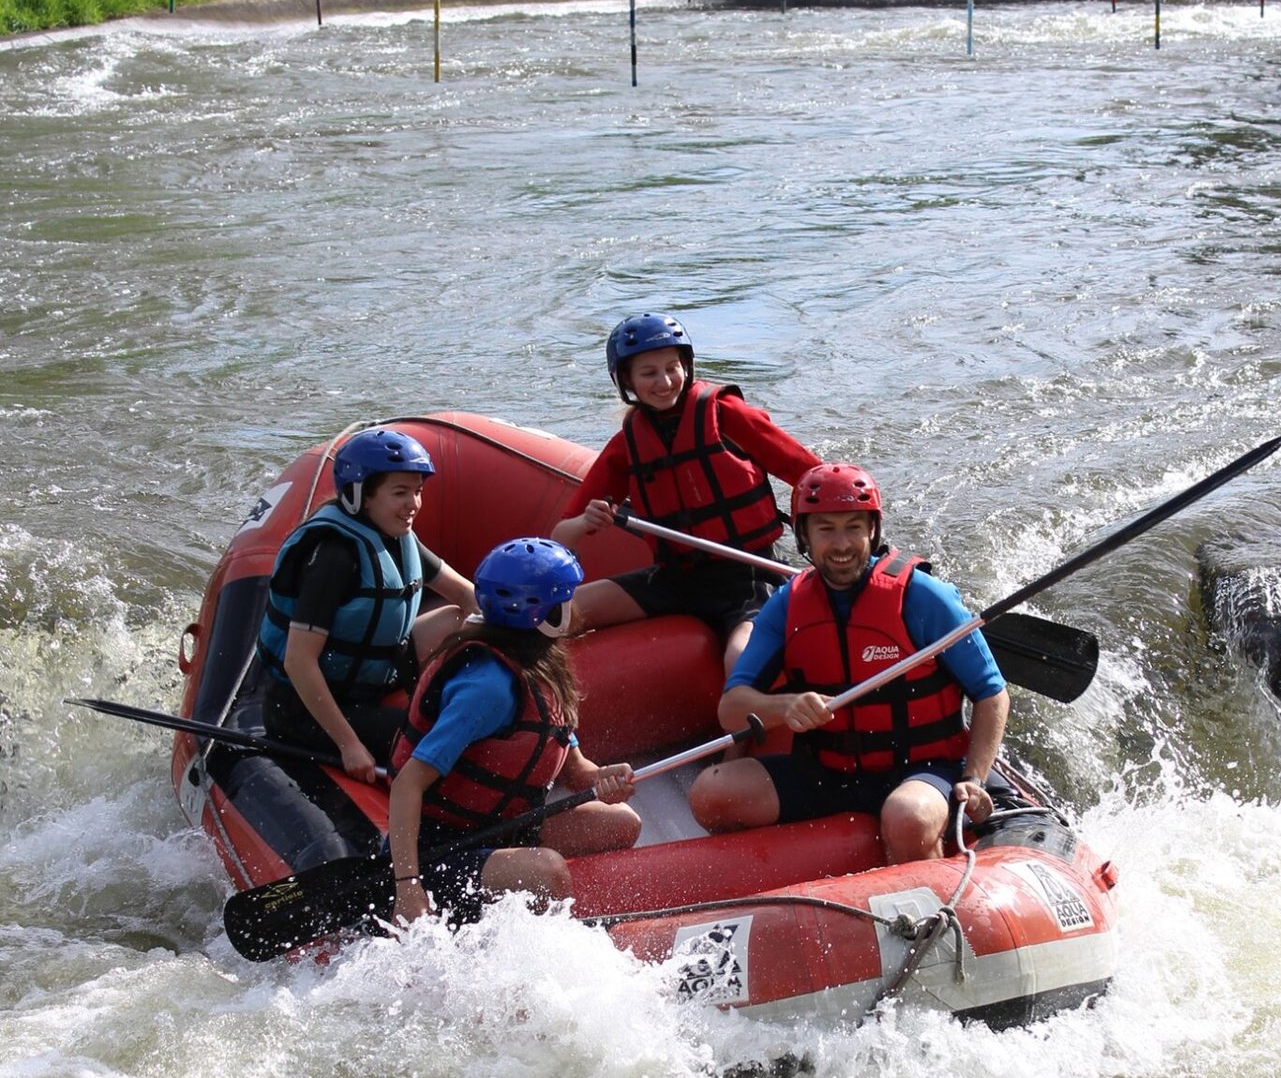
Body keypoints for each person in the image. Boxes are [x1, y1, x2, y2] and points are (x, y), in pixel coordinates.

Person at [689, 463, 1010, 864]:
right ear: (804, 535)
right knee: (711, 794)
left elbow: (991, 693)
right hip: (827, 772)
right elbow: (732, 707)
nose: (841, 544)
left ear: (872, 531)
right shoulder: (787, 605)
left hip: (923, 769)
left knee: (908, 816)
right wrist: (783, 707)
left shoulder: (924, 597)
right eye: (825, 529)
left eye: (853, 527)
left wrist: (974, 778)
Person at [387, 537, 641, 927]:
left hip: (499, 828)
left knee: (622, 821)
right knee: (547, 871)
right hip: (439, 848)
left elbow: (577, 771)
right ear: (542, 613)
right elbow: (408, 783)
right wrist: (408, 885)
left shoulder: (539, 665)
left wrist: (603, 778)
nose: (574, 606)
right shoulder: (486, 689)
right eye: (566, 598)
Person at [551, 311, 819, 668]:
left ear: (686, 367)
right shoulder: (628, 443)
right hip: (675, 578)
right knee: (555, 616)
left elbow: (811, 475)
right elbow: (561, 533)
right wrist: (585, 521)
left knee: (740, 658)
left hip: (749, 575)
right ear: (627, 382)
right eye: (649, 373)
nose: (664, 382)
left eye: (672, 367)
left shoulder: (725, 413)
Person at [256, 426, 477, 782]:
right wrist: (349, 744)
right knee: (438, 737)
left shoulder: (398, 537)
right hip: (302, 710)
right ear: (359, 496)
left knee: (458, 618)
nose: (414, 504)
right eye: (400, 493)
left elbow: (466, 596)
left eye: (418, 492)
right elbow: (298, 660)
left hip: (370, 678)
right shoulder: (335, 556)